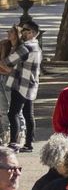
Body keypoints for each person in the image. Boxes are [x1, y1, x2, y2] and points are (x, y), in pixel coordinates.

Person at [1, 20, 42, 151]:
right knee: (28, 114)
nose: (22, 32)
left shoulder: (26, 47)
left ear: (32, 33)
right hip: (31, 85)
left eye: (25, 30)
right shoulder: (37, 47)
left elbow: (8, 61)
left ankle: (13, 143)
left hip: (21, 85)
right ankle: (29, 144)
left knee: (13, 113)